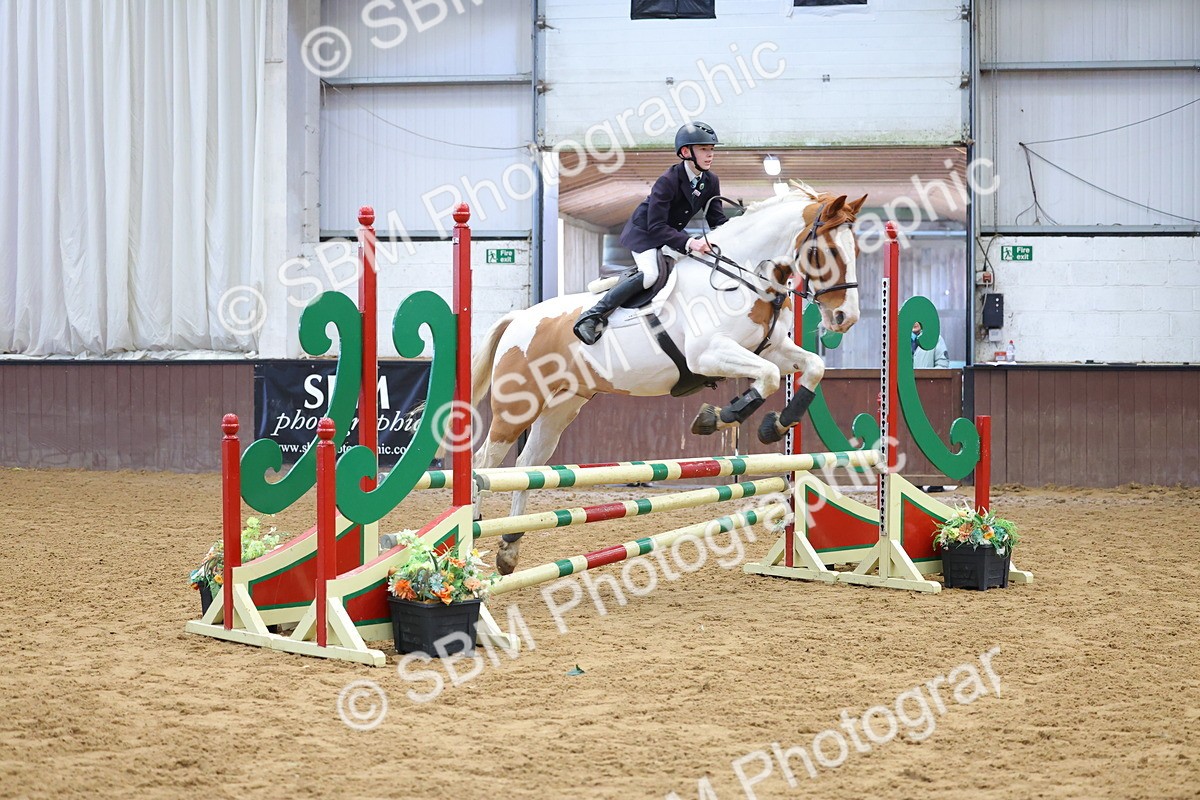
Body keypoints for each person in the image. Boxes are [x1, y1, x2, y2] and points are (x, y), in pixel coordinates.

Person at [573, 121, 729, 345]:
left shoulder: (710, 180)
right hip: (645, 233)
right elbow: (655, 226)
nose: (710, 155)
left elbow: (717, 220)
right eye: (704, 149)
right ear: (686, 152)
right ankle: (591, 316)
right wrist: (690, 243)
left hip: (672, 233)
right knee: (651, 275)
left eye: (712, 150)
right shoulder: (668, 181)